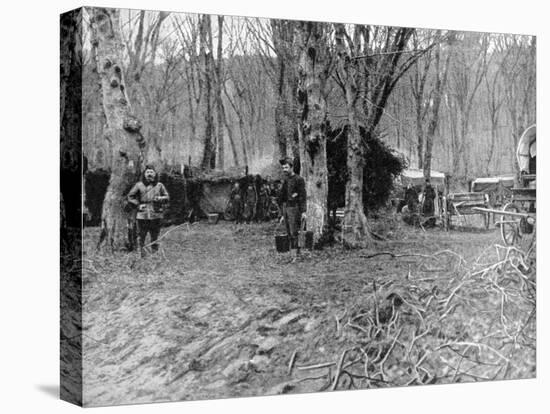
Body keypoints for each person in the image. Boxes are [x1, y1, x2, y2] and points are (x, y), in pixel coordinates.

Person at [127, 165, 170, 256]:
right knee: (141, 235)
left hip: (156, 212)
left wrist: (160, 198)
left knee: (155, 235)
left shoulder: (159, 185)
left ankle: (154, 253)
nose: (149, 174)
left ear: (155, 174)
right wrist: (138, 205)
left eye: (151, 172)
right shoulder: (139, 185)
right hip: (143, 214)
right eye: (147, 172)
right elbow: (130, 197)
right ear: (144, 174)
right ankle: (141, 253)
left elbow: (167, 197)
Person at [278, 157, 307, 255]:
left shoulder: (299, 179)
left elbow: (302, 196)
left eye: (286, 167)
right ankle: (292, 253)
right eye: (283, 168)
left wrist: (303, 211)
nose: (284, 170)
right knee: (289, 232)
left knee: (294, 232)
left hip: (295, 208)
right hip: (286, 208)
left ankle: (296, 254)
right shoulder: (286, 180)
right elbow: (282, 197)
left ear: (291, 167)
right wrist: (282, 214)